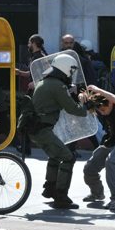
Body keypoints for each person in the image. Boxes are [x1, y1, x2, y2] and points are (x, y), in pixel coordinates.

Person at [28, 53, 88, 209]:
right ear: (66, 69)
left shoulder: (46, 82)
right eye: (71, 71)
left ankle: (50, 188)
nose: (71, 74)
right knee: (68, 158)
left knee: (56, 156)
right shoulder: (57, 86)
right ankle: (61, 196)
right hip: (42, 130)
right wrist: (85, 104)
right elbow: (73, 109)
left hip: (37, 128)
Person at [15, 34, 48, 155]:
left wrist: (35, 83)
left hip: (35, 93)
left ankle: (26, 147)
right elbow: (32, 73)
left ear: (33, 43)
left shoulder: (39, 57)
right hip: (33, 93)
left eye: (29, 43)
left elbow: (43, 74)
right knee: (26, 119)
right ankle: (25, 147)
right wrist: (20, 73)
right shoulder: (36, 57)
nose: (28, 45)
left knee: (26, 118)